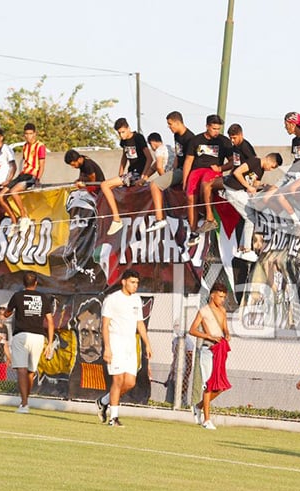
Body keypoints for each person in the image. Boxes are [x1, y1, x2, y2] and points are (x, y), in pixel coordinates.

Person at [95, 269, 152, 427]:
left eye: (137, 283)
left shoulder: (136, 300)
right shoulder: (112, 299)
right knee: (118, 380)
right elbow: (104, 326)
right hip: (115, 342)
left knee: (130, 383)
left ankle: (104, 401)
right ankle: (114, 418)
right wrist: (107, 348)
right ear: (124, 282)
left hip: (130, 345)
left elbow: (139, 323)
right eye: (132, 282)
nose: (135, 286)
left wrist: (147, 343)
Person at [3, 271, 54, 413]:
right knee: (31, 371)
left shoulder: (18, 296)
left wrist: (7, 313)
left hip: (21, 335)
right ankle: (24, 402)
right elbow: (50, 321)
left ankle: (24, 403)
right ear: (36, 283)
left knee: (21, 369)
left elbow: (7, 313)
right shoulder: (43, 297)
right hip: (38, 337)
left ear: (23, 283)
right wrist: (50, 342)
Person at [180, 114, 232, 247]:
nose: (216, 131)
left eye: (218, 129)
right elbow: (188, 161)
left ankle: (209, 217)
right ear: (207, 126)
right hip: (196, 170)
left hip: (212, 171)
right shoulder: (195, 140)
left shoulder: (224, 141)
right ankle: (193, 232)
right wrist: (185, 181)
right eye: (214, 128)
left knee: (205, 182)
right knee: (190, 197)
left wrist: (221, 167)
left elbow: (233, 162)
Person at [223, 153, 283, 262]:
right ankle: (246, 249)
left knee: (251, 217)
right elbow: (237, 172)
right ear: (272, 162)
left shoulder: (261, 171)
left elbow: (255, 186)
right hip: (233, 190)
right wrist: (247, 186)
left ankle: (242, 249)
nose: (270, 170)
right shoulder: (255, 161)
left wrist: (264, 187)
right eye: (272, 167)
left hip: (240, 192)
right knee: (250, 218)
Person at [187, 282, 231, 430]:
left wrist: (227, 334)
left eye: (224, 297)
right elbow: (192, 330)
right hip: (207, 349)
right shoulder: (204, 311)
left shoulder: (223, 311)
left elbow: (225, 328)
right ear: (212, 295)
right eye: (220, 296)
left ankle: (198, 406)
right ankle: (206, 420)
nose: (222, 299)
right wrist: (209, 336)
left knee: (220, 386)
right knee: (209, 385)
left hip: (219, 349)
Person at [145, 111, 195, 233]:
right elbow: (178, 156)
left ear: (178, 123)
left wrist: (185, 178)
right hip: (178, 169)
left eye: (170, 124)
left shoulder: (190, 138)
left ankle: (159, 218)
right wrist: (172, 170)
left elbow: (190, 161)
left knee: (154, 185)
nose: (169, 127)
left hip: (186, 171)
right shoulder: (176, 136)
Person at [101, 118, 153, 236]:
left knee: (104, 185)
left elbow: (149, 158)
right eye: (119, 133)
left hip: (137, 173)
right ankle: (128, 222)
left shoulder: (138, 138)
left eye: (123, 132)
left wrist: (144, 177)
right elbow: (124, 156)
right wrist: (120, 172)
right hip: (129, 172)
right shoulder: (123, 142)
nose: (121, 135)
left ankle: (116, 219)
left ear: (128, 128)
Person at [0, 123, 46, 237]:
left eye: (30, 134)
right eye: (26, 134)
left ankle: (24, 216)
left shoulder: (40, 146)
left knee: (13, 192)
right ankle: (14, 220)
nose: (28, 136)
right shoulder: (25, 146)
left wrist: (37, 179)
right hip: (22, 174)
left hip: (31, 176)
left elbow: (42, 165)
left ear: (35, 134)